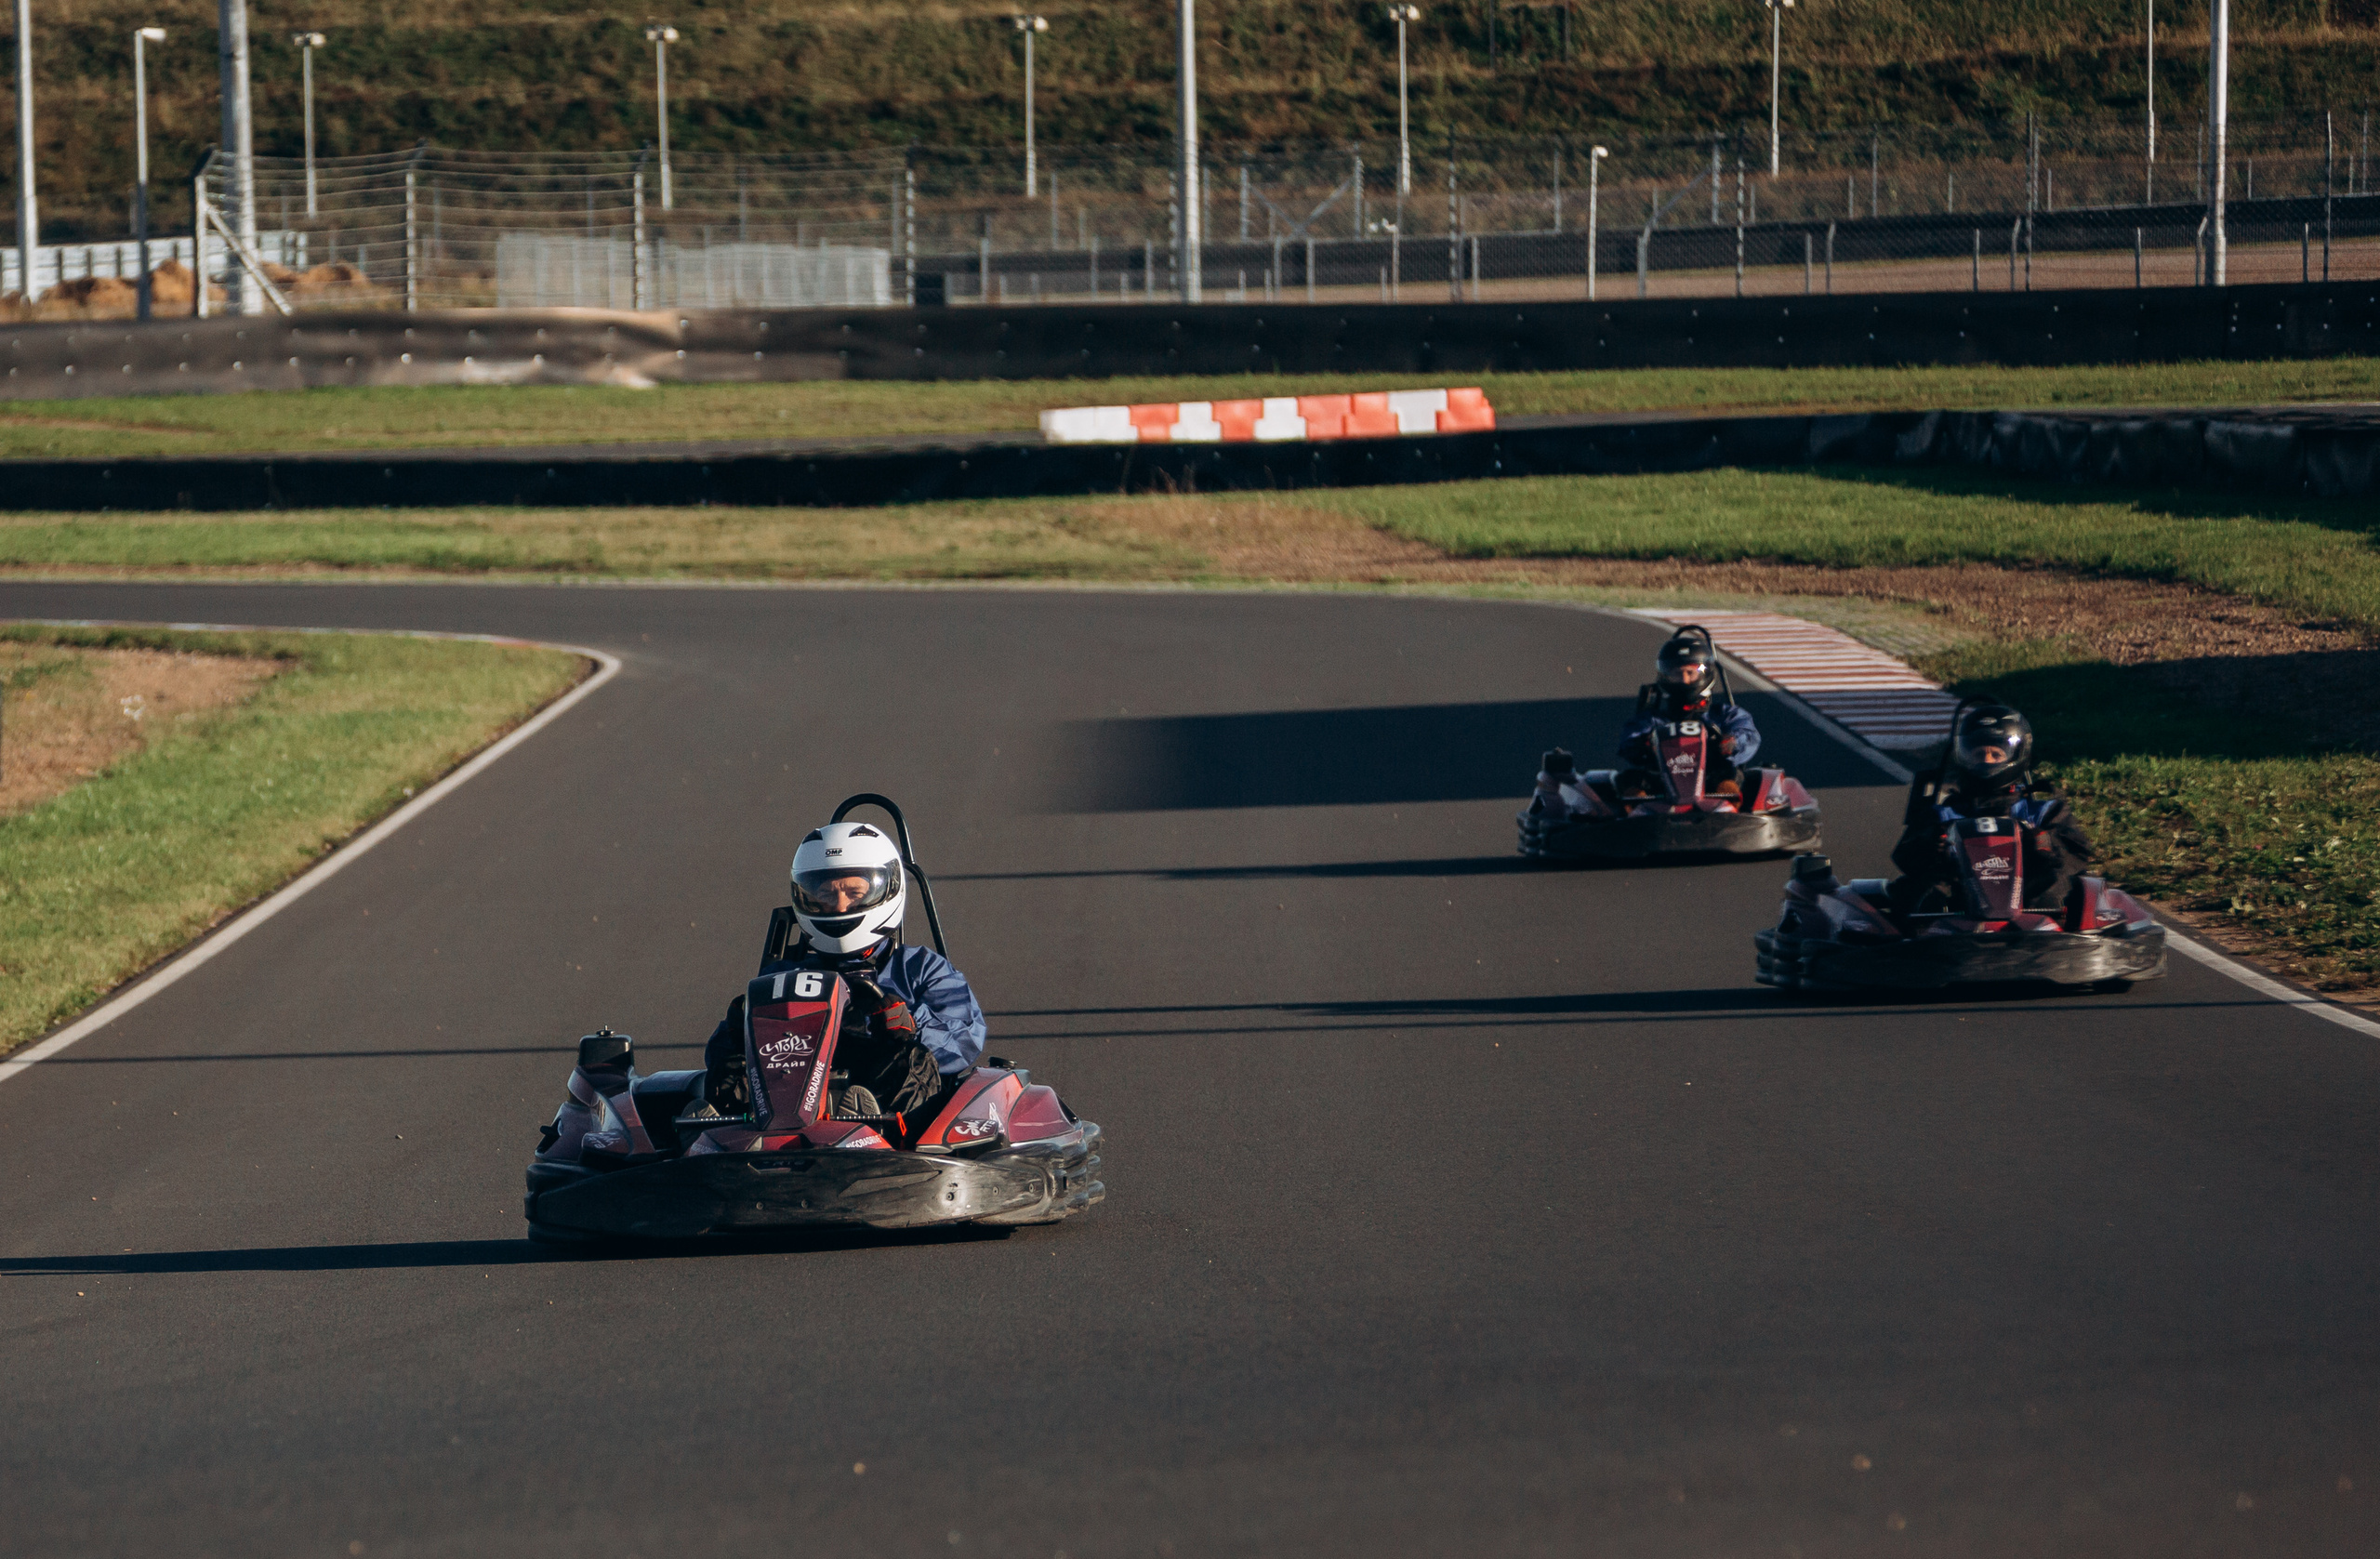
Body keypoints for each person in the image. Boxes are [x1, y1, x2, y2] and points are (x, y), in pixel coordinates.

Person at [699, 820, 985, 1122]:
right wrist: (738, 1030)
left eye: (854, 892)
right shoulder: (785, 974)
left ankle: (870, 1123)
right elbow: (716, 1053)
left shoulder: (922, 968)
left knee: (912, 1062)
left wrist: (910, 1027)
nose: (840, 907)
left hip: (885, 1116)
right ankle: (721, 1132)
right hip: (792, 1086)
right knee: (733, 1064)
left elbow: (967, 1037)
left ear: (886, 889)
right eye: (826, 894)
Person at [1887, 702, 2091, 916]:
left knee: (2057, 886)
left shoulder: (2042, 811)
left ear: (2016, 756)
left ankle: (2054, 936)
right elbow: (1904, 858)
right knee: (1924, 893)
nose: (1986, 762)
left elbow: (2077, 854)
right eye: (1978, 754)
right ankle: (1926, 937)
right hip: (1959, 900)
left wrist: (2045, 843)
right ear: (1963, 756)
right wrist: (1930, 845)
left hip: (2027, 897)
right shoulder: (1943, 814)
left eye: (1996, 754)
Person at [1615, 629, 1761, 801]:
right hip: (1661, 783)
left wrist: (1731, 742)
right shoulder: (1652, 720)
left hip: (1710, 779)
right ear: (1666, 677)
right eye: (1677, 674)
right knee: (1629, 779)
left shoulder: (1725, 715)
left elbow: (1748, 735)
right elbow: (1629, 740)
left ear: (1703, 674)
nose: (1684, 680)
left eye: (1690, 673)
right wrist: (1643, 744)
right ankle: (1638, 813)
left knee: (1731, 775)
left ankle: (1729, 808)